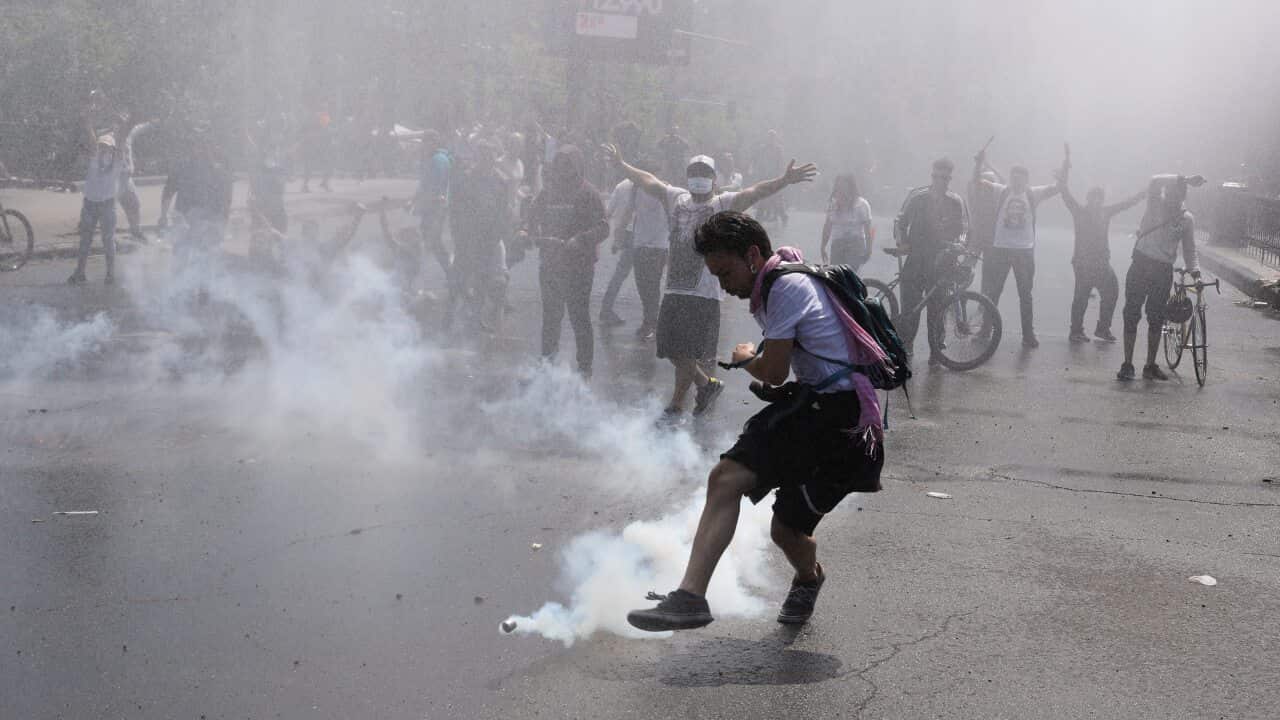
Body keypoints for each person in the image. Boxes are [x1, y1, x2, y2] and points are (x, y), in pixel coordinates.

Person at [626, 211, 886, 631]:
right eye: (715, 275)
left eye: (725, 272)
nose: (724, 286)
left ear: (751, 255)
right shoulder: (780, 279)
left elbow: (773, 372)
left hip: (844, 424)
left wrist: (748, 358)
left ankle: (807, 578)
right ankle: (690, 597)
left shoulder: (785, 286)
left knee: (786, 531)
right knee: (725, 479)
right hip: (816, 407)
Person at [602, 143, 818, 420]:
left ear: (714, 178)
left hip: (704, 292)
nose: (698, 177)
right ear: (687, 175)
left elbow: (756, 191)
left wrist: (785, 180)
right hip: (675, 286)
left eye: (704, 172)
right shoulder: (676, 198)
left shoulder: (723, 203)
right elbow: (648, 180)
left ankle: (677, 405)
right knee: (669, 345)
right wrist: (622, 165)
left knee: (686, 350)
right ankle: (705, 385)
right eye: (694, 171)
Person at [519, 145, 609, 377]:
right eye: (560, 163)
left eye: (568, 163)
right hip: (550, 265)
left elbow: (603, 227)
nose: (563, 168)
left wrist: (581, 239)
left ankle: (584, 367)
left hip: (579, 267)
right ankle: (547, 363)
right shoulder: (547, 192)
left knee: (579, 317)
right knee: (551, 317)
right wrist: (525, 230)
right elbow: (532, 215)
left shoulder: (589, 193)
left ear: (578, 165)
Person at [972, 146, 1068, 348]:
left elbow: (1058, 188)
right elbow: (977, 182)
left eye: (1020, 178)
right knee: (993, 292)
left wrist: (1064, 168)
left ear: (1026, 180)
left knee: (1025, 294)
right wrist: (979, 163)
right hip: (1001, 248)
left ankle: (1028, 334)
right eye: (1014, 178)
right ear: (1010, 178)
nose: (1017, 181)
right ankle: (985, 330)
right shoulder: (1001, 190)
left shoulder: (1034, 194)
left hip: (1024, 251)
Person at [1117, 174, 1205, 381]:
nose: (1173, 198)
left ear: (1182, 197)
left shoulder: (1186, 219)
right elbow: (1154, 181)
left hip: (1162, 269)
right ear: (1167, 193)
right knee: (1131, 313)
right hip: (1141, 263)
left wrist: (1196, 274)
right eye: (1171, 193)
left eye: (1178, 195)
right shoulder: (1154, 205)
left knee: (1156, 318)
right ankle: (1127, 364)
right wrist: (1182, 177)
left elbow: (1190, 250)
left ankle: (1150, 365)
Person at [1058, 157, 1147, 343]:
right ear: (1088, 199)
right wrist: (1065, 170)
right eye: (1093, 197)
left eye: (1099, 198)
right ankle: (1076, 331)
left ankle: (1102, 328)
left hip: (1102, 262)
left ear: (1102, 200)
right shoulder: (1079, 211)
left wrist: (1144, 193)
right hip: (1083, 262)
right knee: (1081, 296)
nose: (1096, 201)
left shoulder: (1106, 211)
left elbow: (1126, 204)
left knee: (1111, 292)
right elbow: (1065, 192)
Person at [892, 158, 969, 363]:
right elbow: (900, 221)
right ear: (932, 176)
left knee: (938, 309)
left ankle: (936, 351)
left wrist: (960, 244)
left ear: (950, 178)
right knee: (910, 308)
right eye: (937, 176)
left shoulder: (956, 201)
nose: (940, 181)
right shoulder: (917, 197)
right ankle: (906, 346)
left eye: (945, 177)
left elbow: (963, 229)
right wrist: (903, 242)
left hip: (942, 262)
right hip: (916, 258)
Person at [601, 159, 670, 339]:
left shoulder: (661, 190)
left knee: (642, 282)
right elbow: (626, 214)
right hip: (640, 241)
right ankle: (650, 321)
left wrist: (617, 238)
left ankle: (649, 322)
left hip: (647, 242)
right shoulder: (643, 189)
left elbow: (612, 213)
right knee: (647, 284)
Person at [447, 140, 511, 332]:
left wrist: (501, 231)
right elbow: (456, 209)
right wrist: (458, 234)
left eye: (490, 157)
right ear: (478, 158)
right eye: (483, 157)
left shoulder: (501, 181)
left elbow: (503, 209)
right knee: (460, 277)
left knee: (485, 278)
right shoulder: (466, 179)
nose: (487, 161)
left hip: (490, 236)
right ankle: (451, 317)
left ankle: (477, 316)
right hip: (468, 235)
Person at [159, 128, 233, 278]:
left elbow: (226, 201)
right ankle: (177, 291)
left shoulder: (219, 171)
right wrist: (164, 215)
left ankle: (203, 293)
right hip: (183, 219)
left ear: (212, 148)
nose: (201, 149)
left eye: (205, 146)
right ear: (193, 148)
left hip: (208, 222)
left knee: (204, 259)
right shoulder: (182, 168)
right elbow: (168, 192)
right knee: (181, 257)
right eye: (198, 145)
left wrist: (221, 224)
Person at [69, 114, 127, 285]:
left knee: (108, 240)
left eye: (106, 147)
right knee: (85, 241)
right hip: (90, 205)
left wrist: (122, 126)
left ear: (112, 149)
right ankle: (80, 272)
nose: (102, 149)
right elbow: (92, 141)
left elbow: (122, 142)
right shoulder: (94, 159)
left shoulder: (116, 161)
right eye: (101, 146)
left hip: (107, 206)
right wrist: (88, 124)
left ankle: (110, 274)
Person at [413, 130, 452, 277]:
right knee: (429, 237)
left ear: (434, 142)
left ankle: (450, 270)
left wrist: (424, 203)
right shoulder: (429, 159)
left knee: (433, 239)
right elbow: (424, 184)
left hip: (437, 207)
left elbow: (438, 187)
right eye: (424, 141)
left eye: (427, 141)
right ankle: (448, 269)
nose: (424, 145)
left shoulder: (439, 160)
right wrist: (414, 199)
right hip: (429, 206)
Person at [116, 113, 157, 244]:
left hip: (126, 178)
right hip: (114, 179)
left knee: (133, 204)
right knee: (108, 208)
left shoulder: (129, 133)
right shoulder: (112, 136)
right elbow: (132, 125)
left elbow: (138, 127)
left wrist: (152, 123)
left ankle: (135, 231)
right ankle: (104, 234)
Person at [820, 173, 874, 270]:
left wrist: (869, 249)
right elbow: (827, 227)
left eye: (843, 187)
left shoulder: (861, 204)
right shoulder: (833, 205)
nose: (841, 190)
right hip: (837, 243)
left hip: (855, 243)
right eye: (838, 187)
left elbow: (868, 229)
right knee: (836, 274)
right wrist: (823, 246)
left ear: (851, 188)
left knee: (850, 273)